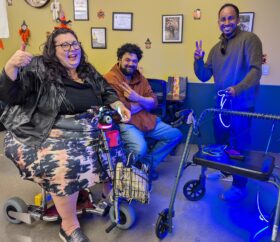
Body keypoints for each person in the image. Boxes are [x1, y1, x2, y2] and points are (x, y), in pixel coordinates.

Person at [0, 27, 131, 242]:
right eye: (64, 45)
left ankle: (111, 195)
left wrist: (117, 105)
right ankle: (68, 226)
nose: (72, 49)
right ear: (53, 49)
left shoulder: (86, 69)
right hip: (44, 131)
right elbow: (11, 95)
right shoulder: (39, 67)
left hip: (86, 129)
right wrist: (11, 67)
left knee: (114, 147)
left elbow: (105, 90)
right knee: (66, 162)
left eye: (75, 44)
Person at [194, 3, 262, 201]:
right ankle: (225, 171)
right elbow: (204, 76)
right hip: (221, 105)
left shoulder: (249, 39)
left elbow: (255, 70)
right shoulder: (216, 49)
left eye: (230, 18)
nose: (227, 22)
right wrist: (198, 60)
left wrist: (237, 89)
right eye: (223, 19)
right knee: (221, 141)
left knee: (239, 145)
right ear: (218, 22)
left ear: (238, 20)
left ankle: (239, 187)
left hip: (241, 104)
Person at [104, 43, 182, 180]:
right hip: (126, 122)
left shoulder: (140, 77)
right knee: (140, 149)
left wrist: (137, 98)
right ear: (119, 59)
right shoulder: (110, 78)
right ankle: (131, 170)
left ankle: (145, 165)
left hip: (146, 119)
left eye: (134, 61)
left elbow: (154, 101)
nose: (131, 64)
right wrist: (144, 103)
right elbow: (126, 108)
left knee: (175, 134)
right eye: (127, 60)